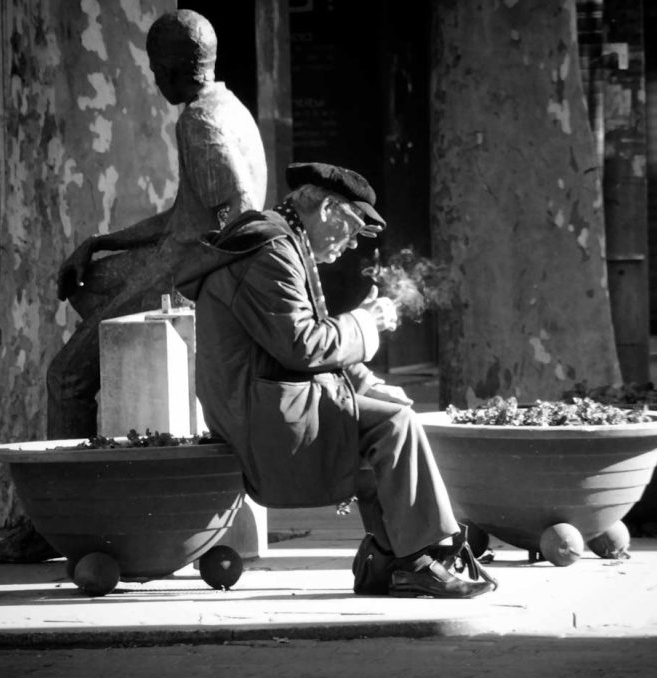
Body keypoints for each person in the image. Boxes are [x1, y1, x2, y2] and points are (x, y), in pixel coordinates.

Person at [0, 10, 267, 564]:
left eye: (155, 69)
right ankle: (96, 432)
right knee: (86, 282)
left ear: (169, 68)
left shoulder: (199, 123)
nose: (155, 79)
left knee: (64, 377)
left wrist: (211, 293)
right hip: (176, 258)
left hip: (183, 276)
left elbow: (234, 216)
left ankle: (56, 520)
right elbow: (183, 216)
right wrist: (101, 242)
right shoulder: (228, 108)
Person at [178, 162, 497, 598]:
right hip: (259, 415)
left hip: (271, 400)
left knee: (389, 415)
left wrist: (367, 382)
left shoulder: (282, 243)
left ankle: (390, 561)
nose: (351, 245)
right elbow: (304, 345)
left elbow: (307, 344)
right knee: (394, 426)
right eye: (353, 229)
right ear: (328, 208)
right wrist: (368, 322)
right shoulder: (270, 252)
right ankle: (415, 559)